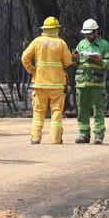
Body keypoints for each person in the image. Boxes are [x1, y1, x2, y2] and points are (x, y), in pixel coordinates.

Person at [21, 16, 73, 144]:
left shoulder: (37, 41)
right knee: (56, 112)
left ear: (44, 29)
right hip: (57, 84)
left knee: (38, 112)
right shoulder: (61, 43)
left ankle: (36, 137)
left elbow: (24, 58)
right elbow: (68, 61)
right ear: (56, 29)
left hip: (40, 83)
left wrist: (33, 71)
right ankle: (55, 139)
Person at [71, 18, 109, 144]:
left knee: (98, 110)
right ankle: (84, 135)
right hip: (82, 83)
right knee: (82, 110)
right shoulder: (81, 43)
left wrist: (100, 61)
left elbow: (107, 64)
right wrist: (74, 58)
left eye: (90, 33)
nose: (88, 35)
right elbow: (75, 62)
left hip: (97, 84)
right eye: (86, 33)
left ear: (96, 31)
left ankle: (98, 136)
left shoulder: (104, 45)